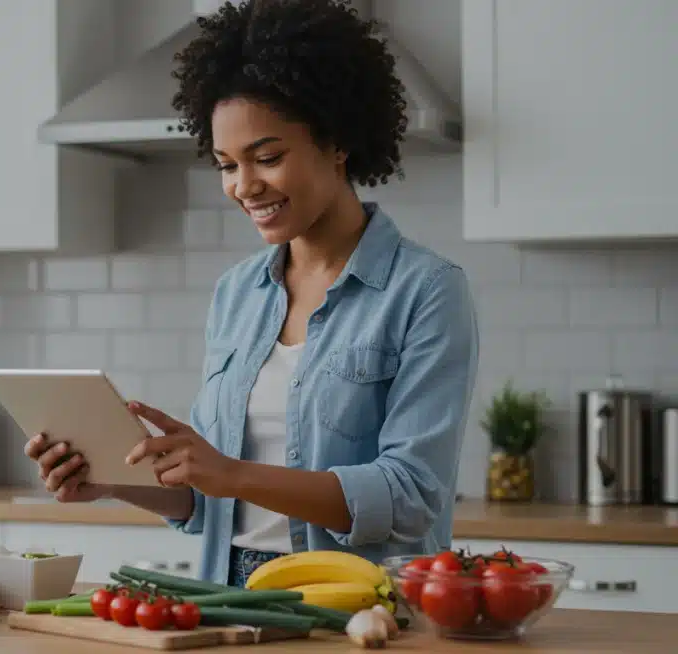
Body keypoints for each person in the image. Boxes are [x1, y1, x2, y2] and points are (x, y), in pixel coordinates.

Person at [24, 0, 479, 587]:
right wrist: (115, 479)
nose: (244, 186)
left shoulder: (425, 291)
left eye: (267, 157)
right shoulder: (237, 293)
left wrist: (231, 473)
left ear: (337, 141)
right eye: (225, 164)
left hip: (359, 598)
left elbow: (411, 494)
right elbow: (209, 502)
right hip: (231, 592)